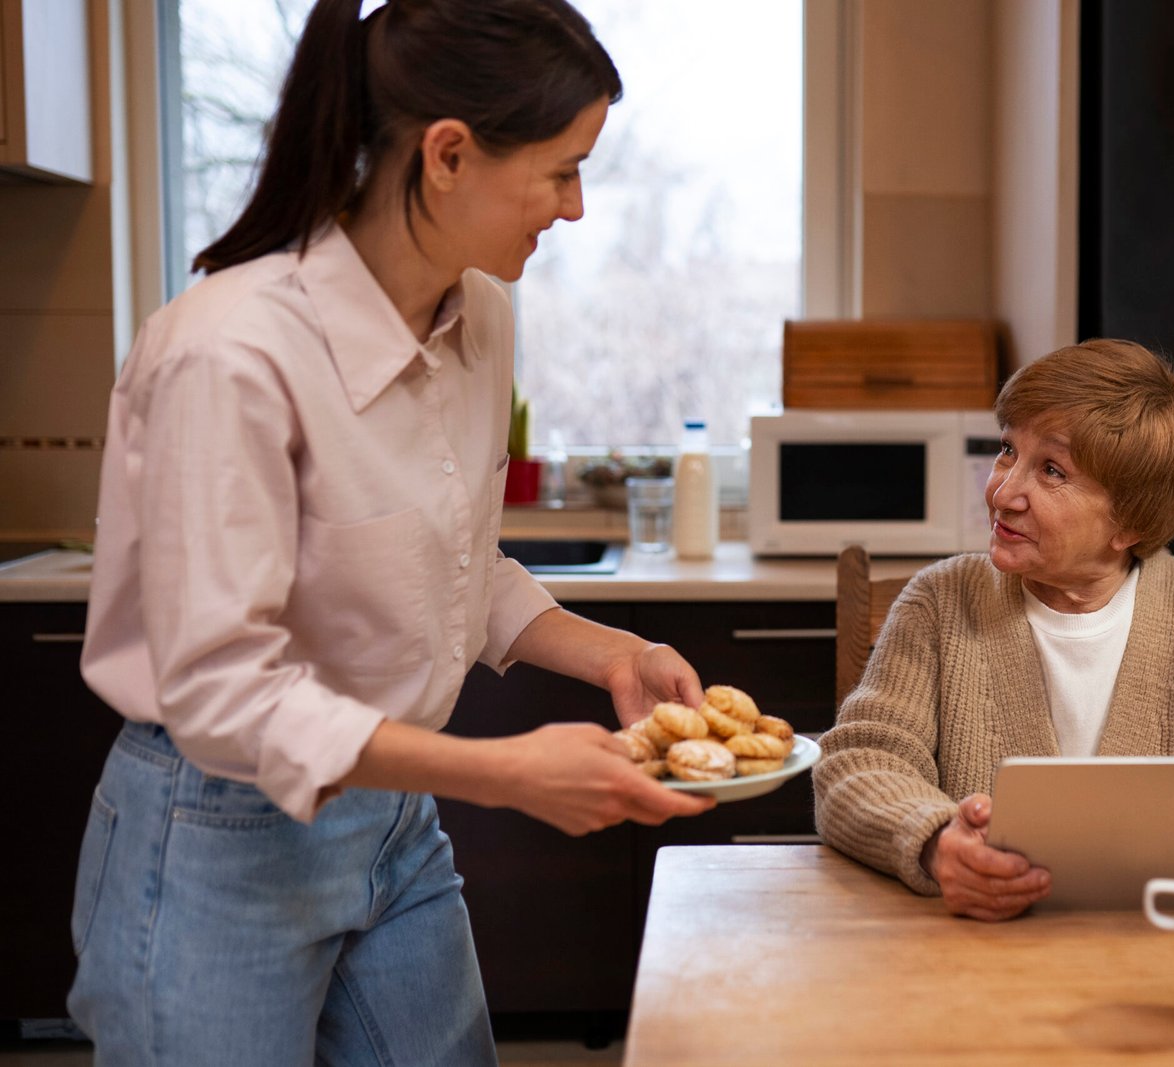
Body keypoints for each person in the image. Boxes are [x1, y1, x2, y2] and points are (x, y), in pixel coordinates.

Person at [68, 1, 712, 1061]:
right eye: (560, 170)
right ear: (448, 155)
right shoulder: (229, 351)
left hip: (392, 820)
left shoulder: (479, 315)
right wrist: (508, 772)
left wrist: (616, 652)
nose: (578, 206)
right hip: (218, 834)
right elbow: (227, 688)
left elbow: (451, 561)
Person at [813, 339, 1174, 922]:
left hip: (1160, 951)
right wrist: (934, 841)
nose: (1002, 491)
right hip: (976, 955)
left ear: (1131, 520)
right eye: (1007, 450)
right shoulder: (941, 602)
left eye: (1051, 470)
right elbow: (859, 762)